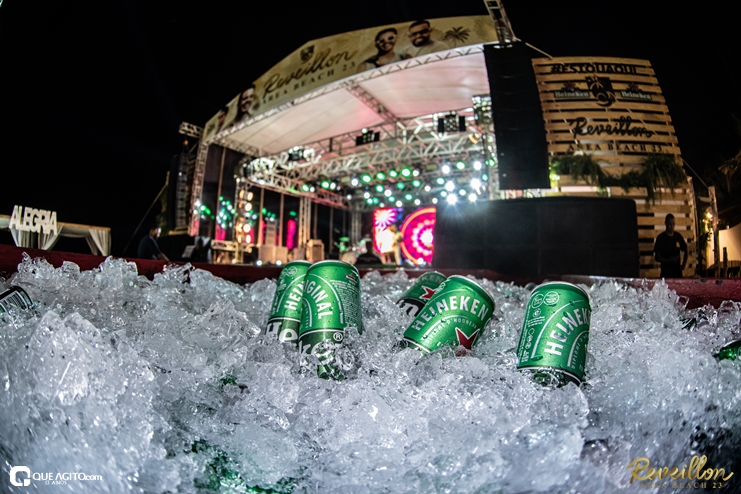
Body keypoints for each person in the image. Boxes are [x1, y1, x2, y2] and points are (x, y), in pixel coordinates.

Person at [654, 214, 687, 278]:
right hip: (666, 273)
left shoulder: (678, 236)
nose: (672, 227)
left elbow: (686, 249)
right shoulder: (661, 238)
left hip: (677, 273)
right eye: (670, 224)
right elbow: (657, 257)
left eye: (673, 224)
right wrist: (668, 260)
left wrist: (683, 265)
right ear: (665, 224)